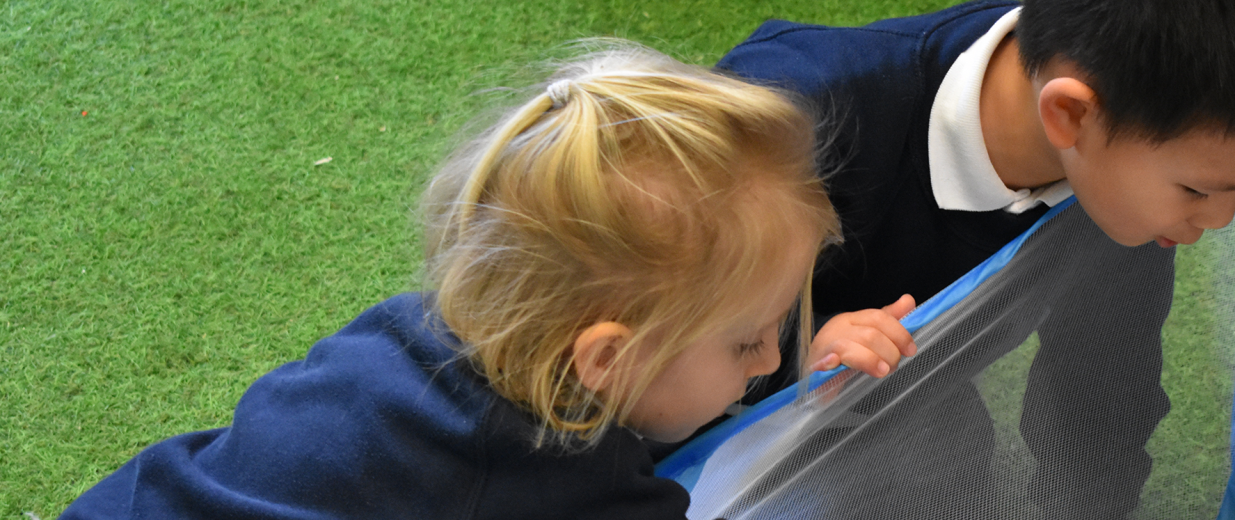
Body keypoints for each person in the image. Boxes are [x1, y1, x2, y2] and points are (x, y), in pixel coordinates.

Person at [57, 43, 861, 519]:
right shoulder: (560, 480)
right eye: (749, 340)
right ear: (606, 361)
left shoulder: (405, 330)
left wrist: (800, 372)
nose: (764, 362)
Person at [712, 0, 1235, 517]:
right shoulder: (790, 119)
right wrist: (798, 352)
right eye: (1199, 190)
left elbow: (1103, 379)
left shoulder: (1123, 145)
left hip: (911, 407)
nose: (1216, 220)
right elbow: (645, 333)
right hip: (704, 419)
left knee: (944, 445)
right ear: (1071, 115)